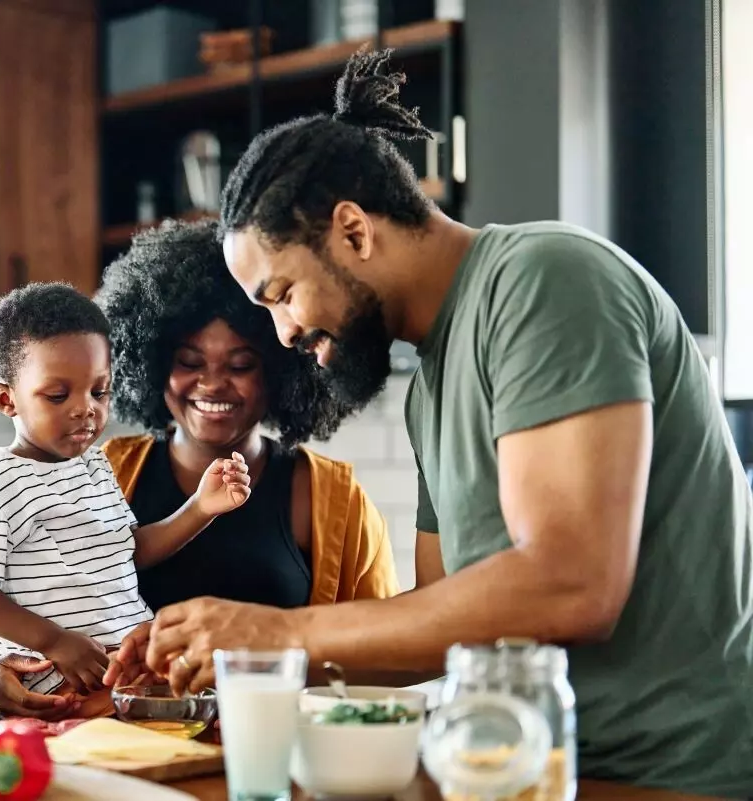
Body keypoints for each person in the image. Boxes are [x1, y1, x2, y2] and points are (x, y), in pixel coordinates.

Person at [145, 50, 753, 797]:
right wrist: (232, 660)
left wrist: (280, 634)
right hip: (520, 767)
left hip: (663, 777)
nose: (283, 335)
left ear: (354, 232)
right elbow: (433, 633)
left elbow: (573, 583)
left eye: (281, 294)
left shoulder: (547, 281)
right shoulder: (427, 390)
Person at [0, 220, 401, 720]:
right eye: (190, 361)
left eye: (240, 365)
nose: (212, 384)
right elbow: (24, 616)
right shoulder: (95, 473)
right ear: (150, 361)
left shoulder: (333, 501)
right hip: (117, 755)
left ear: (281, 369)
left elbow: (380, 661)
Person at [0, 282, 251, 700]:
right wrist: (54, 642)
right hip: (59, 683)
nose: (85, 408)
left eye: (99, 391)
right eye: (57, 395)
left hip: (124, 676)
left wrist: (201, 507)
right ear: (6, 399)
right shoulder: (1, 479)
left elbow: (127, 549)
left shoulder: (93, 464)